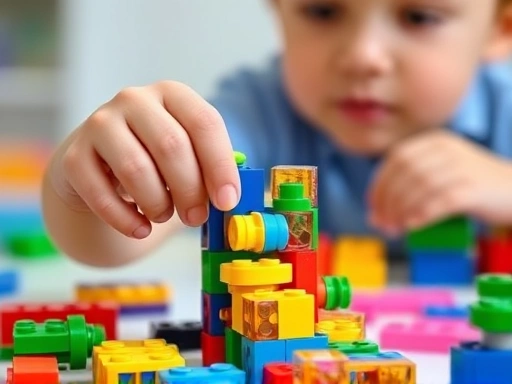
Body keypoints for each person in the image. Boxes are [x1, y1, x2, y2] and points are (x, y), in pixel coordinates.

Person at [42, 0, 512, 267]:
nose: (363, 56)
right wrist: (87, 188)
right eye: (323, 11)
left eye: (419, 17)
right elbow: (121, 238)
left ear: (500, 28)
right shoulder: (257, 112)